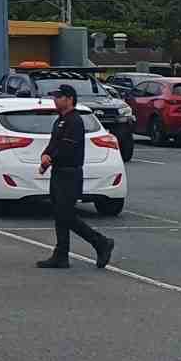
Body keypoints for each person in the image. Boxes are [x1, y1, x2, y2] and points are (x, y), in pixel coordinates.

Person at [36, 83, 115, 270]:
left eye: (59, 96)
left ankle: (101, 242)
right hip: (58, 172)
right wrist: (45, 156)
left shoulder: (75, 121)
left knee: (66, 215)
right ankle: (61, 255)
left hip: (70, 173)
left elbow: (67, 147)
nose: (55, 100)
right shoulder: (60, 120)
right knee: (59, 214)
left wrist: (51, 158)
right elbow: (54, 143)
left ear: (69, 99)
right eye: (55, 96)